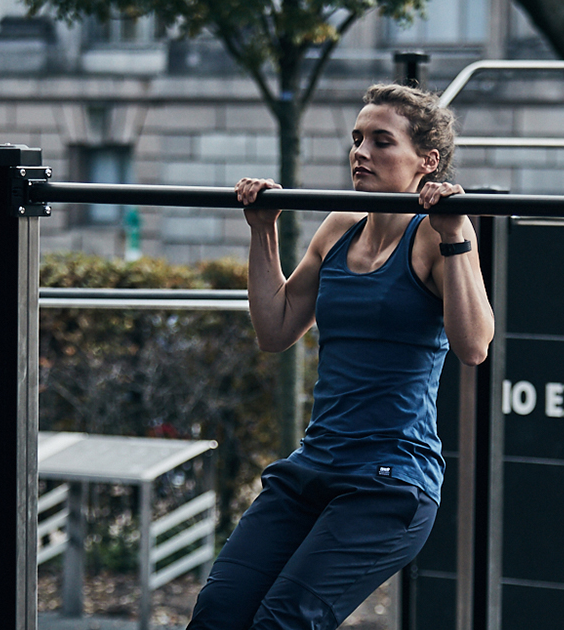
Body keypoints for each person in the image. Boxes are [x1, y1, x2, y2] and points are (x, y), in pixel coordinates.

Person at [186, 82, 495, 630]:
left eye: (381, 141)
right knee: (218, 613)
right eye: (356, 139)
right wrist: (263, 231)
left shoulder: (434, 237)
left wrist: (456, 234)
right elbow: (276, 329)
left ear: (427, 161)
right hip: (314, 467)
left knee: (281, 623)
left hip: (391, 484)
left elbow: (473, 346)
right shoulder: (338, 225)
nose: (361, 152)